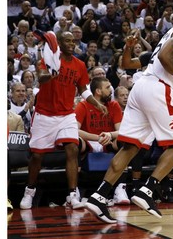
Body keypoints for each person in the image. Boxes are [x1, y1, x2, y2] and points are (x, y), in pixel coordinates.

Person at [84, 2, 173, 223]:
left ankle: (99, 195)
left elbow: (150, 59)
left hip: (141, 88)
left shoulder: (171, 35)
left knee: (131, 146)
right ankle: (148, 190)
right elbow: (164, 57)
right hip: (158, 89)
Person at [19, 31, 108, 210]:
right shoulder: (45, 60)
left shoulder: (80, 65)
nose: (71, 43)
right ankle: (29, 191)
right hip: (44, 114)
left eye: (73, 41)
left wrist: (96, 103)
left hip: (66, 114)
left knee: (72, 148)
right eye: (67, 41)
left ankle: (72, 195)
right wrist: (53, 71)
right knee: (37, 156)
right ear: (58, 43)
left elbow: (83, 89)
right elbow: (42, 78)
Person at [75, 77, 129, 205]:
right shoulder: (83, 105)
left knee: (125, 141)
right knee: (74, 142)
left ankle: (120, 189)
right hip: (89, 141)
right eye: (107, 87)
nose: (111, 90)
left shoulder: (114, 105)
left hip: (108, 142)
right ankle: (74, 191)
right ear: (98, 91)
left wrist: (109, 135)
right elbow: (74, 130)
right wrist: (97, 138)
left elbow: (121, 131)